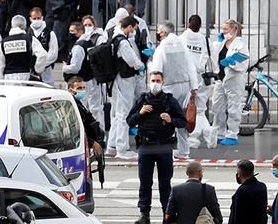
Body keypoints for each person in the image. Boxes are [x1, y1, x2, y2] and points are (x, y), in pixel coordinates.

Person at [127, 71, 187, 224]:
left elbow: (183, 121)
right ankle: (144, 215)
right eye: (153, 80)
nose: (155, 83)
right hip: (146, 147)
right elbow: (130, 121)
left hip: (164, 146)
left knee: (165, 183)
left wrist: (170, 120)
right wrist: (140, 113)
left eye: (158, 80)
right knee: (145, 182)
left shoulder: (170, 101)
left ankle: (167, 215)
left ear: (163, 83)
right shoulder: (142, 100)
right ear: (148, 82)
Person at [149, 21, 201, 160]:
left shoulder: (161, 49)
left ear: (164, 33)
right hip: (184, 86)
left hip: (169, 87)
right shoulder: (182, 45)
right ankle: (184, 150)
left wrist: (154, 87)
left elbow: (157, 71)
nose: (158, 35)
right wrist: (194, 87)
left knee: (165, 118)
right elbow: (191, 67)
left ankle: (165, 148)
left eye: (159, 32)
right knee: (181, 119)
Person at [107, 15, 145, 160]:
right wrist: (141, 65)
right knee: (124, 114)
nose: (134, 32)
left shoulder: (114, 37)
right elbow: (131, 60)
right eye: (134, 29)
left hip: (116, 80)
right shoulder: (122, 41)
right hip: (123, 80)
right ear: (129, 27)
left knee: (117, 113)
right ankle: (122, 148)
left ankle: (112, 145)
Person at [182, 15, 217, 150]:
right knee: (200, 109)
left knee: (187, 108)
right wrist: (215, 73)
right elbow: (212, 60)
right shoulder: (206, 41)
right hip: (202, 78)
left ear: (188, 24)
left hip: (186, 78)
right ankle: (207, 130)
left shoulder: (181, 40)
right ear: (201, 27)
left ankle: (193, 137)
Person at [212, 20, 249, 145]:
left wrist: (233, 62)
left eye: (226, 29)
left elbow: (244, 65)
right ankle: (219, 133)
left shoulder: (240, 45)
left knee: (233, 107)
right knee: (217, 107)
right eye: (223, 29)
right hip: (221, 78)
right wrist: (217, 43)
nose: (224, 32)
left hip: (234, 79)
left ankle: (232, 133)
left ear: (233, 30)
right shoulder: (222, 43)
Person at [63, 21, 105, 118]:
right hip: (87, 80)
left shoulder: (79, 47)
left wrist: (65, 67)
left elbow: (75, 68)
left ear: (80, 32)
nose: (70, 34)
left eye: (73, 31)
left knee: (78, 109)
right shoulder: (89, 43)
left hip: (79, 82)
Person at [0, 15, 48, 82]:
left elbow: (0, 65)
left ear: (11, 26)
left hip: (8, 79)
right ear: (25, 27)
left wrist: (0, 83)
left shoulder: (3, 42)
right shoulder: (31, 39)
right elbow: (43, 55)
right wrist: (38, 70)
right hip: (26, 76)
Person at [67, 75, 105, 160]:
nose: (82, 90)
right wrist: (92, 143)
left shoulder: (79, 104)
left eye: (83, 88)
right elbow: (75, 131)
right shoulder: (71, 106)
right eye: (79, 88)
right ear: (71, 90)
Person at [28, 7, 60, 85]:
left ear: (42, 18)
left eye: (38, 18)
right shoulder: (26, 33)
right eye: (34, 18)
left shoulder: (50, 33)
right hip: (29, 69)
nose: (36, 20)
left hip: (46, 69)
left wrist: (40, 66)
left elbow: (53, 53)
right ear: (30, 19)